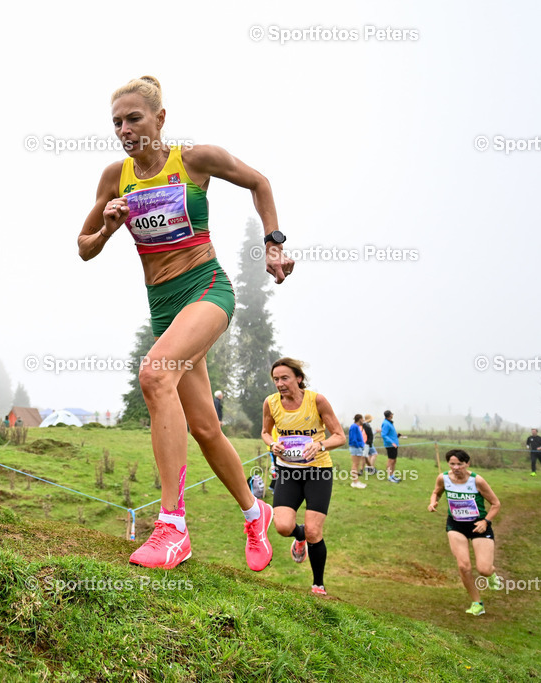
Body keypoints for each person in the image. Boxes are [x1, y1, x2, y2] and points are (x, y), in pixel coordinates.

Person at [78, 75, 294, 571]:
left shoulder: (195, 160)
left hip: (206, 290)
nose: (125, 129)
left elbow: (259, 183)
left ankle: (172, 527)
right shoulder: (116, 177)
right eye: (116, 122)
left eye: (134, 118)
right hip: (164, 308)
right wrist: (109, 228)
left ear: (159, 118)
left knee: (155, 374)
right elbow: (84, 247)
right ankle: (253, 511)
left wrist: (273, 242)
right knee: (204, 427)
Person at [262, 358, 346, 595]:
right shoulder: (270, 403)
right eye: (276, 379)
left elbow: (339, 436)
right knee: (283, 526)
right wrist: (272, 445)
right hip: (288, 471)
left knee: (314, 531)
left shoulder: (316, 400)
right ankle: (299, 538)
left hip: (318, 471)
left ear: (298, 378)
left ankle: (318, 584)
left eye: (285, 378)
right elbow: (265, 433)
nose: (280, 383)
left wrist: (320, 445)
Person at [428, 449, 501, 616]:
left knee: (483, 569)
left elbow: (496, 504)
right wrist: (433, 503)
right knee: (463, 566)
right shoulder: (443, 478)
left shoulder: (477, 481)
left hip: (478, 526)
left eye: (459, 464)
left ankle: (491, 574)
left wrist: (486, 521)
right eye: (452, 464)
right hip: (456, 525)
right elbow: (436, 492)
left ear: (467, 464)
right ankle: (477, 602)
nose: (455, 467)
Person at [381, 409, 402, 483]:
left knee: (394, 460)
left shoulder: (390, 423)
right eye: (392, 414)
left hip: (394, 444)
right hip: (390, 445)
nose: (392, 415)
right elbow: (383, 435)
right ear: (389, 415)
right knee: (391, 460)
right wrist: (392, 442)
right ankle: (389, 476)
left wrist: (397, 436)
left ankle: (392, 475)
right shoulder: (386, 423)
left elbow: (390, 434)